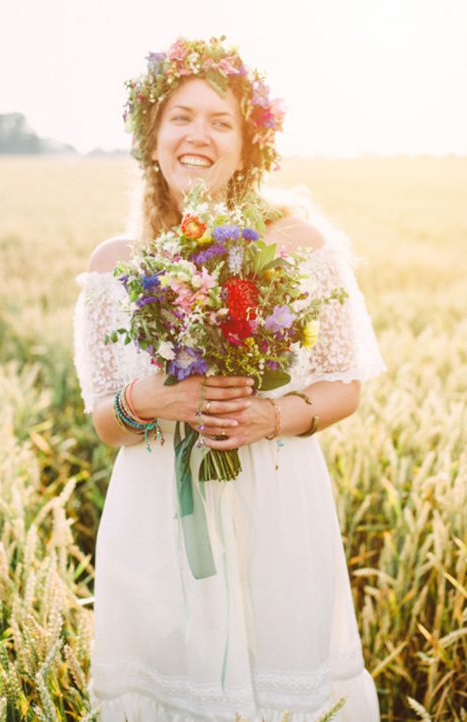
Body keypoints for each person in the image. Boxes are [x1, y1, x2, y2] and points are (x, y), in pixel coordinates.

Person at [73, 37, 384, 721]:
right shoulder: (113, 262)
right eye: (181, 117)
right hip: (156, 516)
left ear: (248, 146)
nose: (198, 136)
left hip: (277, 504)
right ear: (151, 137)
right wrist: (151, 400)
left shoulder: (301, 245)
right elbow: (104, 422)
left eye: (221, 122)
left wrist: (270, 416)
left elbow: (346, 385)